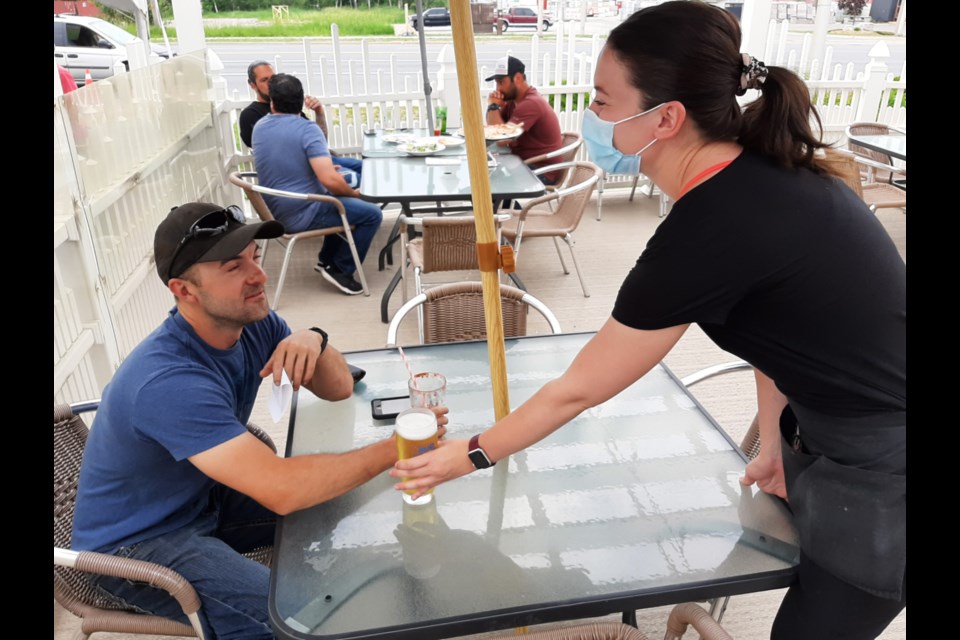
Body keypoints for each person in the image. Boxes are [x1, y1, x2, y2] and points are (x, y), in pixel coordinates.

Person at [393, 3, 905, 639]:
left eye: (604, 102)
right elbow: (777, 333)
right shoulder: (762, 175)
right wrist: (771, 441)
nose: (592, 117)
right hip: (836, 435)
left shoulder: (711, 229)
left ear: (666, 118)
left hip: (886, 475)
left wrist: (465, 456)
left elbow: (577, 389)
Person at [71, 202, 448, 639]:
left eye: (254, 256)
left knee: (347, 501)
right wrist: (396, 445)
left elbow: (339, 388)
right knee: (293, 617)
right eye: (234, 267)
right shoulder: (167, 381)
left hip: (202, 501)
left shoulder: (251, 324)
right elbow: (283, 491)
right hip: (137, 547)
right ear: (184, 290)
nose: (259, 276)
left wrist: (314, 339)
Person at [253, 73, 383, 295]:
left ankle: (326, 261)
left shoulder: (261, 126)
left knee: (337, 199)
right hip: (302, 212)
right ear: (301, 99)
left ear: (272, 102)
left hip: (279, 209)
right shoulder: (306, 129)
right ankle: (341, 269)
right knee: (371, 214)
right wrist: (354, 194)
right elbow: (328, 180)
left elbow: (293, 159)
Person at [239, 60, 363, 179]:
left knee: (367, 168)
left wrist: (319, 112)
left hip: (324, 160)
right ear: (252, 85)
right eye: (264, 80)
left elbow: (320, 141)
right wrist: (320, 170)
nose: (271, 84)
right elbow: (275, 158)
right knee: (358, 179)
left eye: (273, 78)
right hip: (307, 171)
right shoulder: (251, 115)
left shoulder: (285, 103)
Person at [485, 55, 564, 185]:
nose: (497, 88)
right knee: (488, 174)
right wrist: (494, 107)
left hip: (541, 171)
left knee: (490, 180)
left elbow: (500, 139)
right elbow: (493, 128)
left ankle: (503, 204)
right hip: (522, 163)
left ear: (518, 78)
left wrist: (493, 106)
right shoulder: (513, 101)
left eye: (501, 82)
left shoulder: (531, 103)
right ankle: (506, 205)